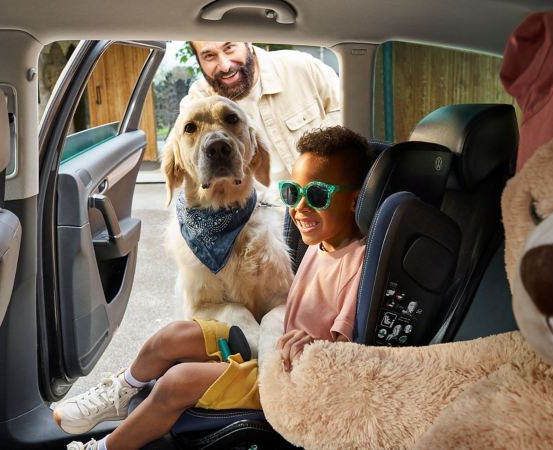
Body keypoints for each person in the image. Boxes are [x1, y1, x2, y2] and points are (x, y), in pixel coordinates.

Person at [60, 126, 371, 450]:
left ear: (354, 201)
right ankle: (121, 392)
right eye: (293, 193)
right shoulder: (320, 245)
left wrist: (311, 347)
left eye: (318, 195)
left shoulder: (357, 265)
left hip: (289, 377)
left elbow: (343, 361)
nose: (301, 208)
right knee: (172, 336)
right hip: (269, 345)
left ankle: (103, 448)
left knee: (176, 383)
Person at [183, 42, 341, 188]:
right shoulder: (195, 107)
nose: (225, 66)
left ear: (248, 43)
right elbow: (195, 185)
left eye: (229, 48)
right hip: (256, 213)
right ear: (199, 61)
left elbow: (350, 132)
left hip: (321, 204)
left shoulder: (304, 68)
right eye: (209, 56)